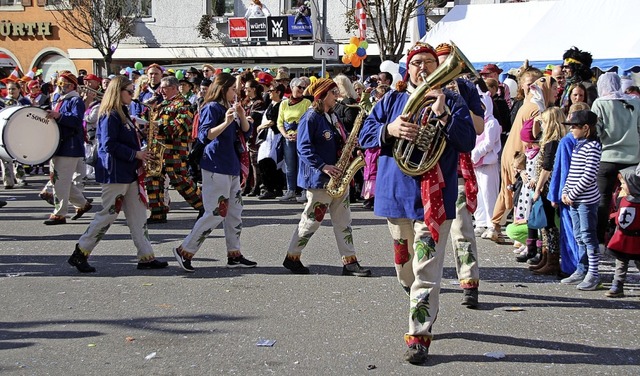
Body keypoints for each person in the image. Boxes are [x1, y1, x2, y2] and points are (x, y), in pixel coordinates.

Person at [359, 42, 475, 364]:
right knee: (404, 269)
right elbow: (363, 136)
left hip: (433, 199)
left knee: (425, 269)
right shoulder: (392, 100)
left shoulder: (451, 101)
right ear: (406, 69)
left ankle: (419, 335)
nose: (421, 67)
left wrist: (444, 115)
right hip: (396, 196)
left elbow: (467, 141)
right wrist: (389, 129)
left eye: (428, 62)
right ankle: (421, 302)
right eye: (416, 63)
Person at [67, 76, 168, 273]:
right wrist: (136, 154)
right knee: (108, 214)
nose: (133, 95)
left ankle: (146, 256)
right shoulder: (109, 114)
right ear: (118, 91)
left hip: (128, 171)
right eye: (129, 91)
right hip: (115, 172)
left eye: (133, 91)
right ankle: (80, 252)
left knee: (138, 215)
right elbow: (108, 145)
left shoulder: (122, 112)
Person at [282, 78, 371, 277]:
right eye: (333, 93)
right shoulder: (310, 117)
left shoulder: (332, 116)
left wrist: (352, 148)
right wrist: (323, 166)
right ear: (321, 96)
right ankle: (292, 256)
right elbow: (303, 147)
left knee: (343, 221)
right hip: (320, 179)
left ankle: (350, 261)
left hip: (338, 176)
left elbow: (339, 140)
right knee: (312, 220)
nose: (337, 96)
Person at [173, 73, 257, 272]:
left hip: (231, 165)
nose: (235, 93)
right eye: (232, 89)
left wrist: (242, 116)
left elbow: (246, 132)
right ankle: (185, 249)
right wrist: (226, 122)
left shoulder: (229, 107)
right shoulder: (212, 107)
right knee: (216, 212)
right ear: (222, 89)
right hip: (215, 164)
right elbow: (205, 135)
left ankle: (234, 254)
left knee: (234, 212)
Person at [146, 76, 203, 224]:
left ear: (173, 88)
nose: (161, 91)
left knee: (180, 180)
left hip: (174, 150)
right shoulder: (161, 104)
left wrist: (159, 123)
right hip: (157, 149)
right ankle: (157, 213)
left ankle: (203, 206)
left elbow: (179, 127)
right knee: (153, 180)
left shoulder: (184, 104)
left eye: (164, 88)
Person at [591, 72, 640, 245]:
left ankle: (599, 240)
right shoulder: (636, 102)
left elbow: (596, 130)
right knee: (634, 198)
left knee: (602, 199)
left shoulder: (600, 103)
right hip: (633, 157)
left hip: (607, 156)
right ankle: (631, 237)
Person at [561, 110, 602, 291]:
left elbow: (588, 175)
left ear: (586, 128)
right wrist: (565, 190)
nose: (571, 131)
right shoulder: (578, 145)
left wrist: (573, 193)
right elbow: (572, 172)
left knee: (588, 235)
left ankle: (593, 273)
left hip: (585, 200)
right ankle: (582, 268)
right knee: (578, 236)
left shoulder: (593, 147)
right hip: (574, 199)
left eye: (574, 127)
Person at [44, 73, 92, 225]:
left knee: (60, 181)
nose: (60, 86)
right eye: (59, 83)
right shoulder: (61, 99)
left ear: (72, 85)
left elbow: (77, 121)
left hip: (69, 146)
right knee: (59, 179)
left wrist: (59, 116)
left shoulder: (75, 100)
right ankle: (82, 204)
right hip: (59, 145)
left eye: (63, 83)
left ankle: (59, 213)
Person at [549, 102, 588, 279]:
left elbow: (559, 169)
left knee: (570, 232)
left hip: (568, 192)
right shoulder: (593, 141)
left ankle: (571, 267)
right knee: (586, 233)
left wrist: (554, 194)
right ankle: (585, 266)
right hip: (587, 192)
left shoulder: (566, 141)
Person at [529, 107, 566, 275]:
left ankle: (552, 259)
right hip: (546, 186)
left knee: (549, 225)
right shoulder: (552, 140)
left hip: (547, 187)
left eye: (544, 122)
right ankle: (545, 257)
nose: (542, 125)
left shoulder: (553, 142)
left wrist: (538, 188)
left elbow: (547, 167)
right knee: (545, 225)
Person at [605, 166, 640, 298]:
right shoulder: (623, 200)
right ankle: (617, 284)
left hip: (637, 239)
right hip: (623, 237)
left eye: (624, 183)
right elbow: (621, 215)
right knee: (621, 262)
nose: (622, 186)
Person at [277, 77, 311, 202]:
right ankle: (291, 190)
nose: (302, 90)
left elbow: (307, 120)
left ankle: (304, 191)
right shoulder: (284, 103)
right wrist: (285, 134)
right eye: (299, 87)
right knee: (290, 165)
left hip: (301, 137)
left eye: (303, 87)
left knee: (303, 165)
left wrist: (298, 133)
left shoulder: (307, 103)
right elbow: (280, 122)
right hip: (288, 138)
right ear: (292, 88)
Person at [1, 81, 32, 189]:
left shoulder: (25, 101)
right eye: (9, 89)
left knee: (18, 156)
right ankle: (8, 181)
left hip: (19, 132)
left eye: (13, 89)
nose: (11, 91)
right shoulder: (2, 101)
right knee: (5, 157)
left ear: (19, 89)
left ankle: (20, 178)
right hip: (5, 132)